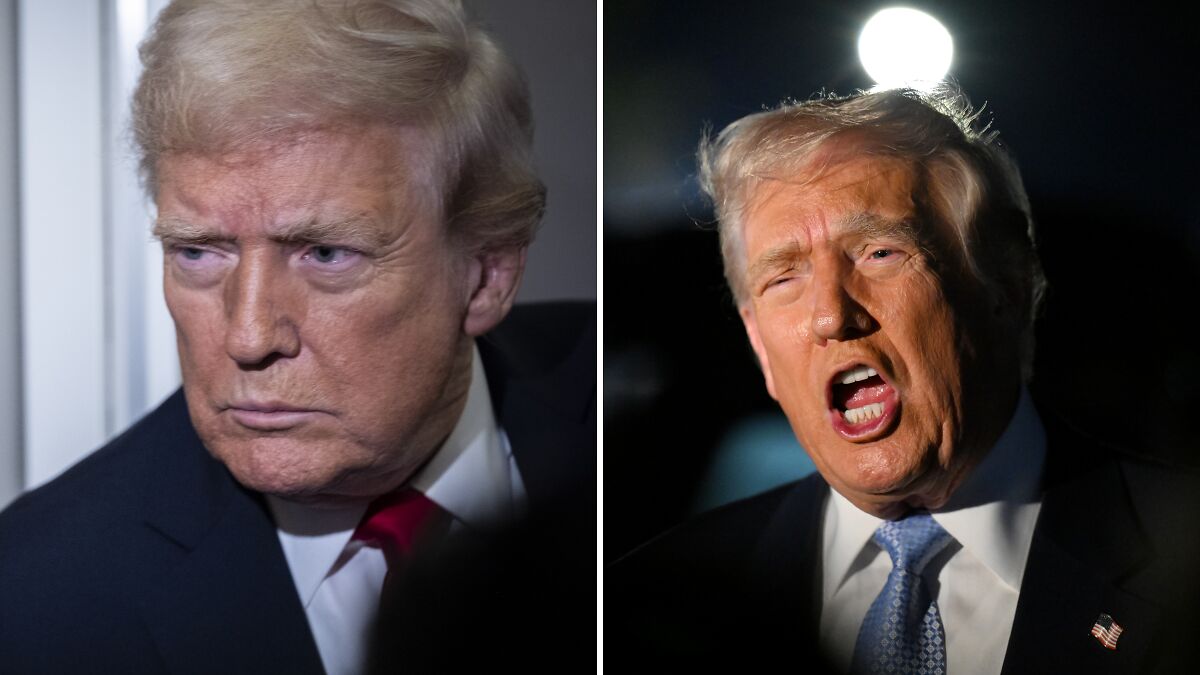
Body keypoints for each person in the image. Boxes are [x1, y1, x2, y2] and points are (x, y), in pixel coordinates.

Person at [0, 1, 594, 673]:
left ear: (486, 275)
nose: (249, 337)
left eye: (325, 253)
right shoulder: (35, 599)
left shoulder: (624, 408)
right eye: (197, 252)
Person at [608, 85, 1200, 672]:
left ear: (1006, 284)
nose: (832, 315)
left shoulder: (1183, 555)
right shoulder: (647, 604)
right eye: (783, 278)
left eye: (879, 253)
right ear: (760, 346)